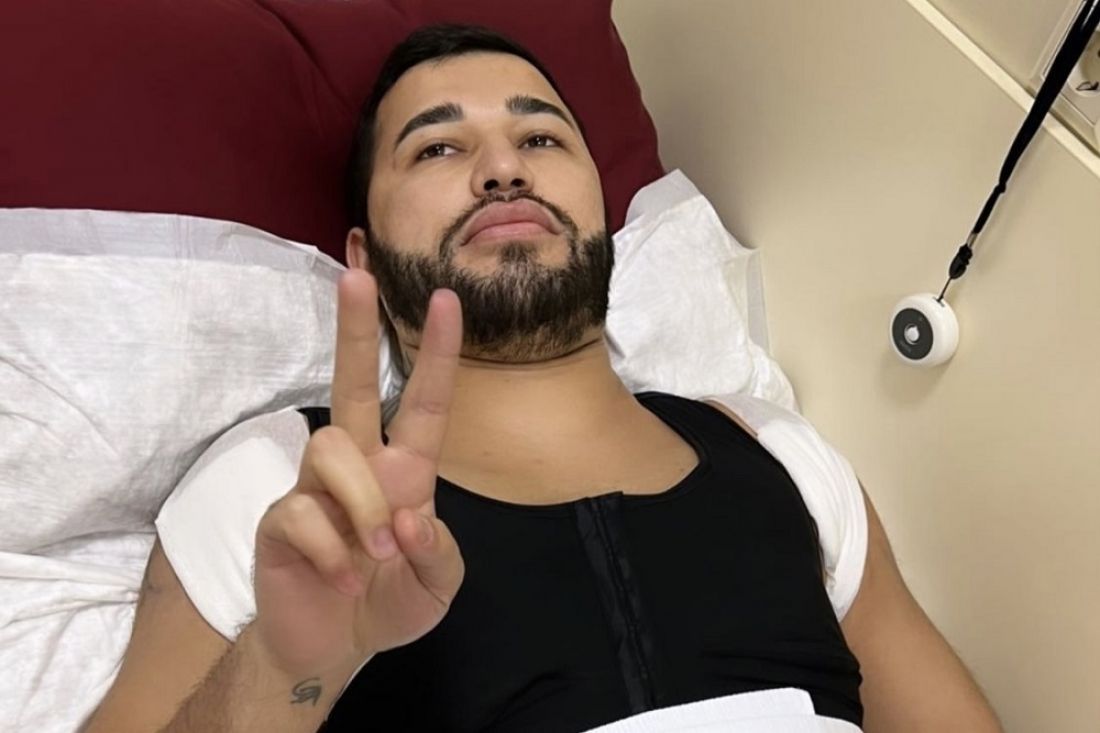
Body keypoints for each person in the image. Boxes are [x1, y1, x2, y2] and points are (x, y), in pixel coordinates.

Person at [85, 24, 1002, 733]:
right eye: (437, 149)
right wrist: (285, 669)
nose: (503, 168)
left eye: (542, 137)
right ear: (362, 254)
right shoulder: (283, 486)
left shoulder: (782, 457)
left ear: (600, 211)